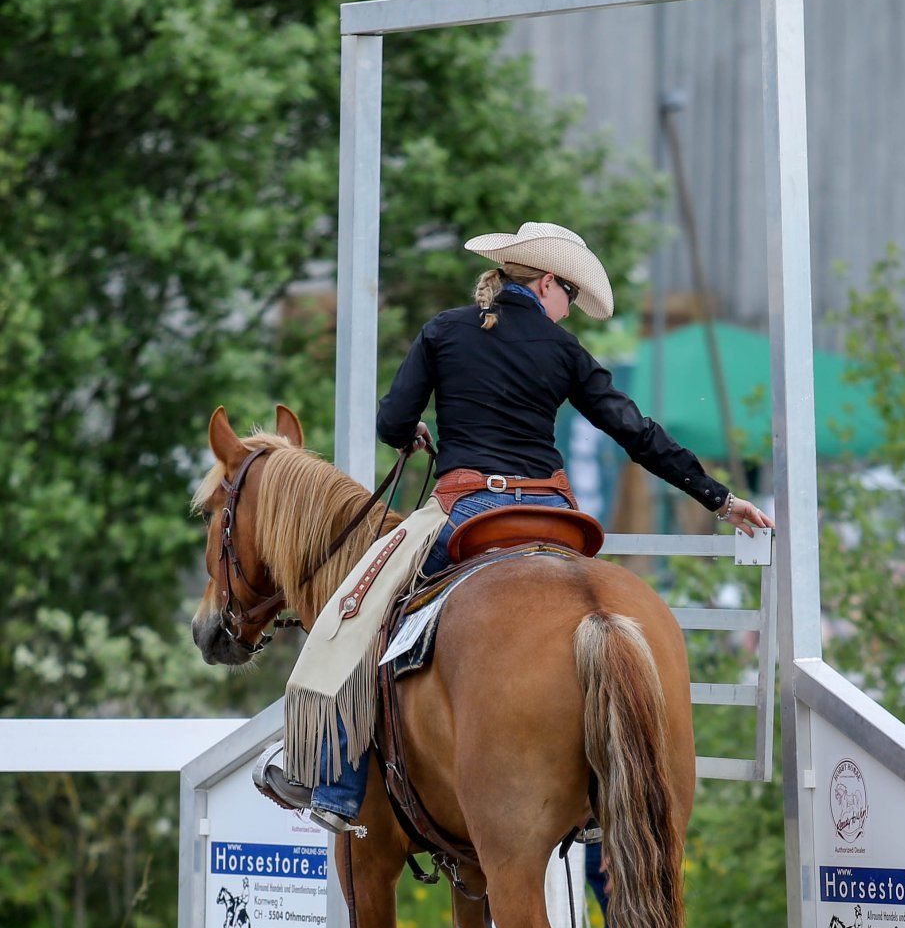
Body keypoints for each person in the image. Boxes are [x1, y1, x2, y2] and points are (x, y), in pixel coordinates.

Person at [257, 221, 773, 832]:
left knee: (365, 610)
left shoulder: (444, 331)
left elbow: (393, 420)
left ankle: (336, 787)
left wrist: (412, 435)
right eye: (571, 297)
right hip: (555, 516)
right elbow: (634, 431)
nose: (570, 309)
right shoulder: (565, 352)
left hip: (466, 510)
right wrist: (719, 499)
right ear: (548, 282)